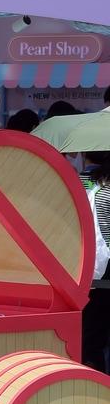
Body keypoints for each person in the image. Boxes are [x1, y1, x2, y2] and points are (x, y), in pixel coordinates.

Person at [84, 152, 110, 373]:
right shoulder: (107, 194)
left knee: (94, 331)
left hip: (95, 268)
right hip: (106, 269)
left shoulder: (95, 189)